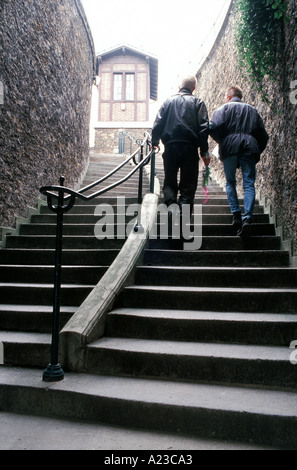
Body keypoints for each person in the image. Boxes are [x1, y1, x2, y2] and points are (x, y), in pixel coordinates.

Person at [209, 86, 269, 237]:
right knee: (248, 183)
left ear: (228, 97)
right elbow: (263, 134)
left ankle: (236, 214)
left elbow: (213, 128)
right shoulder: (252, 111)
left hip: (229, 147)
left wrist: (224, 141)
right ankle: (247, 218)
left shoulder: (222, 110)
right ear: (240, 96)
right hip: (249, 146)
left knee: (230, 182)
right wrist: (256, 148)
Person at [151, 76, 210, 215]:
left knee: (170, 181)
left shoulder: (169, 101)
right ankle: (183, 217)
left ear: (179, 87)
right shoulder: (198, 102)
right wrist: (204, 151)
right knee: (188, 186)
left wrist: (155, 142)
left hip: (171, 147)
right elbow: (203, 128)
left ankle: (171, 210)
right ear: (193, 88)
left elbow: (158, 123)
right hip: (190, 148)